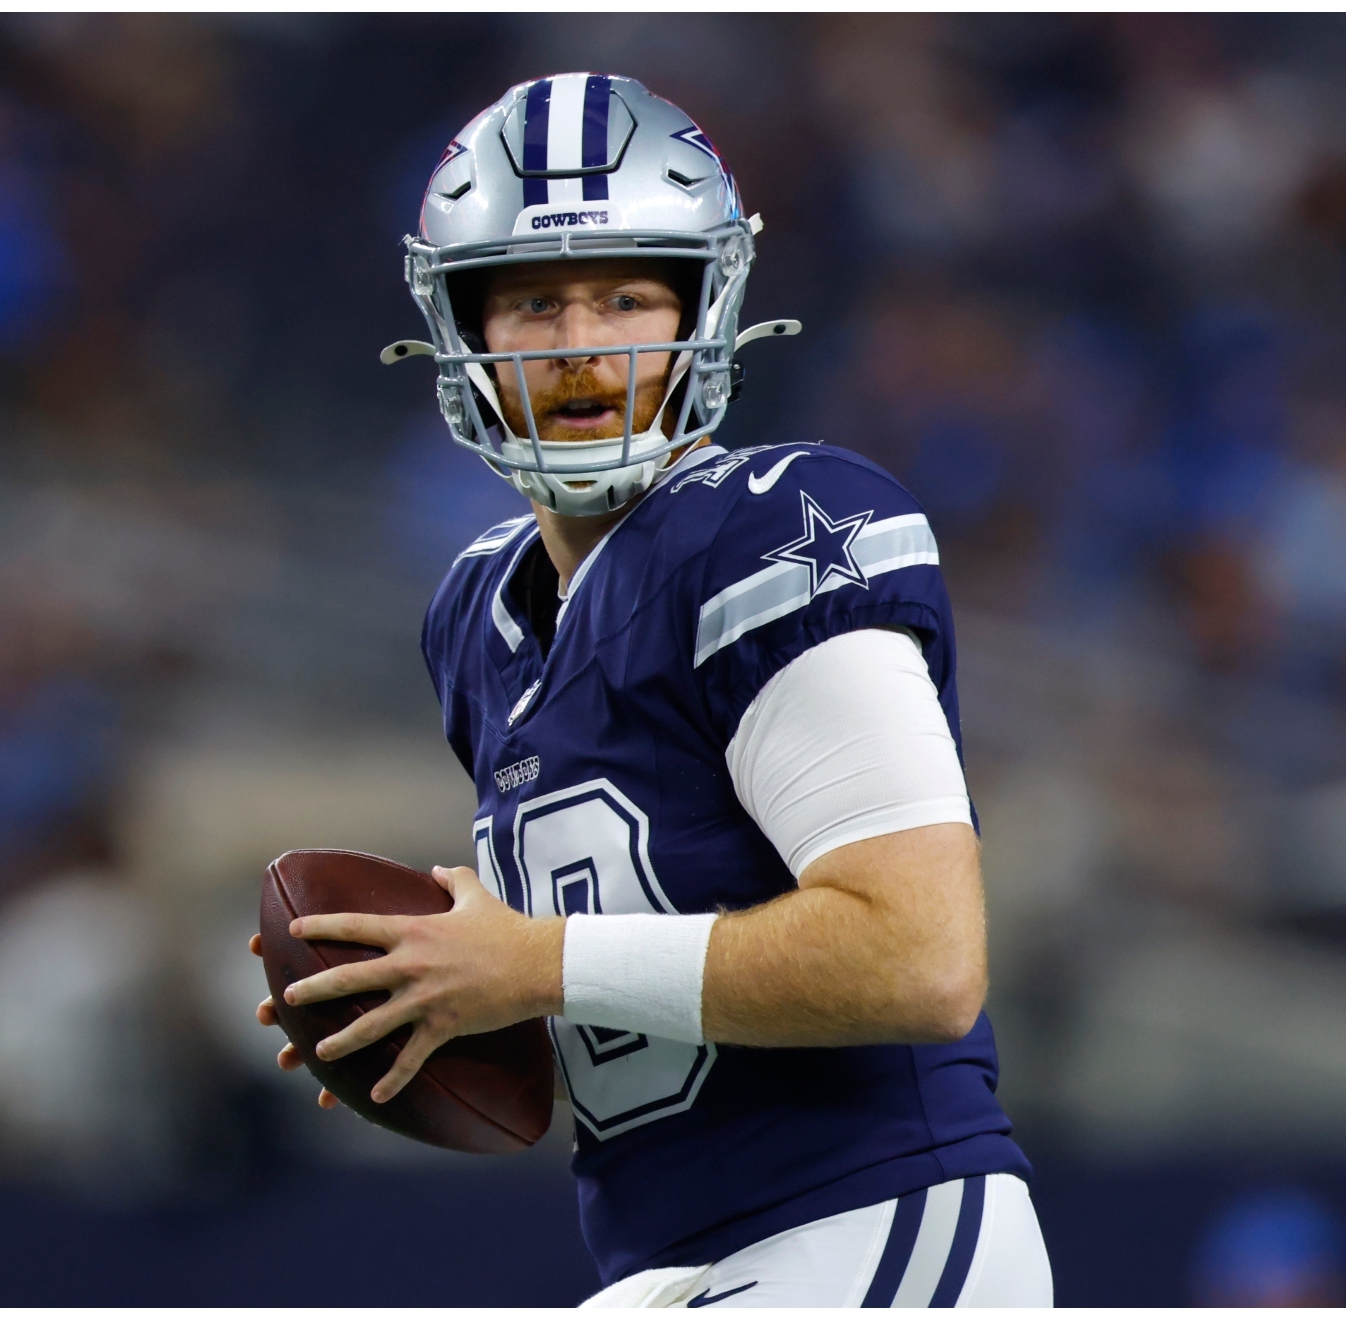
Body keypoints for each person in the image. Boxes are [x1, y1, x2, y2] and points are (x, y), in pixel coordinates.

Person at [250, 73, 1052, 1307]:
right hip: (675, 1258)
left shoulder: (778, 529)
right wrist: (440, 996)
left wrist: (532, 968)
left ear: (706, 308)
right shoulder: (477, 610)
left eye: (626, 295)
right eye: (531, 303)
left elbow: (921, 958)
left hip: (872, 1219)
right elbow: (635, 967)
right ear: (459, 329)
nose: (580, 347)